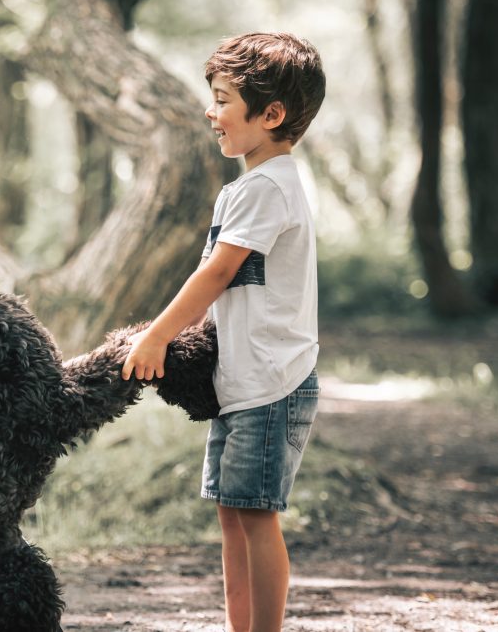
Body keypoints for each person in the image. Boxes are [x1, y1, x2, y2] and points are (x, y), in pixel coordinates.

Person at [121, 32, 325, 632]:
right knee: (234, 516)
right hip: (243, 381)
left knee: (256, 517)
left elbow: (216, 273)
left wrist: (157, 335)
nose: (211, 113)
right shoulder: (250, 186)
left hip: (270, 383)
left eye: (222, 99)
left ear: (271, 115)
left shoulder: (268, 186)